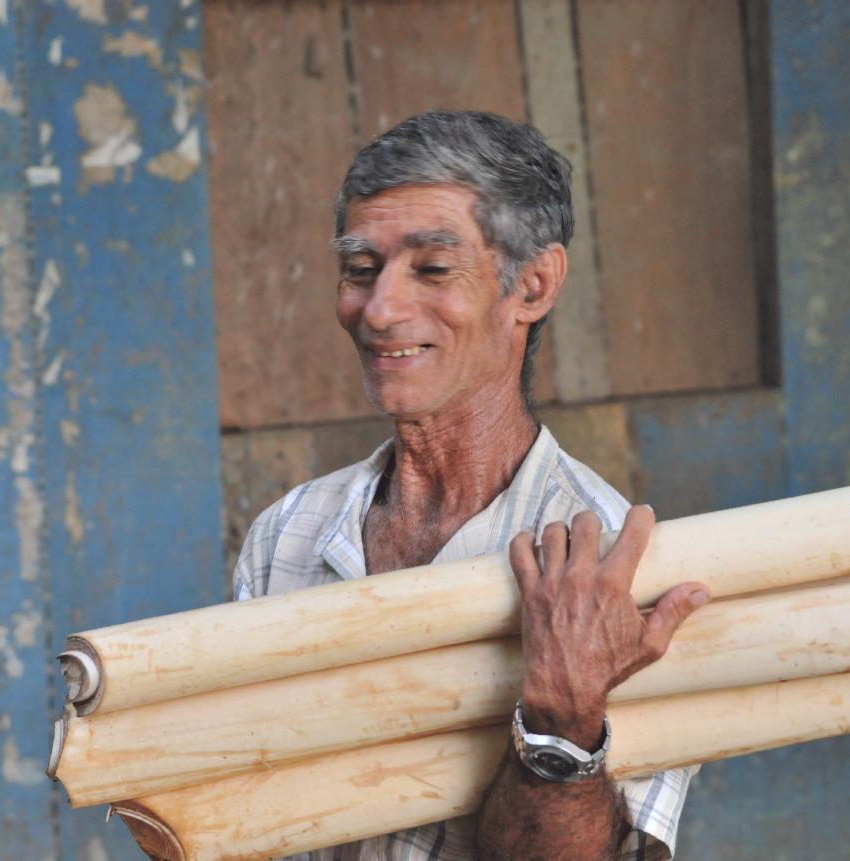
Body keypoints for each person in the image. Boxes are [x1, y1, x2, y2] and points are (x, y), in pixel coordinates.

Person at [232, 110, 711, 861]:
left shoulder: (614, 566)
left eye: (431, 268)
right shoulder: (288, 533)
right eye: (360, 269)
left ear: (534, 285)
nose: (380, 309)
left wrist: (564, 717)